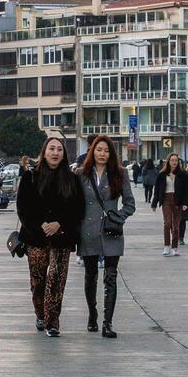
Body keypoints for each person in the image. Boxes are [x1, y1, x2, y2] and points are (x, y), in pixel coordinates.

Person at [15, 135, 84, 337]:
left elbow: (78, 209)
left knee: (56, 278)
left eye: (59, 149)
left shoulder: (72, 179)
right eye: (51, 149)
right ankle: (40, 313)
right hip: (35, 236)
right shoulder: (30, 177)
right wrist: (41, 225)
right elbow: (23, 208)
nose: (55, 153)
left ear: (64, 154)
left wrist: (59, 224)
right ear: (44, 152)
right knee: (38, 280)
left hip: (62, 237)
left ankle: (52, 321)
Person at [78, 135, 135, 338]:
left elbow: (130, 203)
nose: (102, 154)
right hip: (88, 231)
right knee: (90, 275)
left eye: (106, 150)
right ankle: (92, 315)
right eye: (99, 149)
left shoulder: (119, 173)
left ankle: (107, 322)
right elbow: (75, 203)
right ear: (92, 151)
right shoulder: (81, 174)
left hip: (111, 231)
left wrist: (118, 217)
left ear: (111, 154)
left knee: (110, 277)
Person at [151, 153, 188, 256]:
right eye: (172, 160)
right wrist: (154, 203)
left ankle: (175, 247)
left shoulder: (183, 174)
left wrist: (186, 203)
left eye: (176, 160)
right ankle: (167, 246)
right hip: (166, 200)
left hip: (178, 201)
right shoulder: (162, 174)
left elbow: (187, 190)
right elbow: (157, 190)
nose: (174, 162)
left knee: (176, 226)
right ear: (168, 161)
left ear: (178, 162)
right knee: (167, 223)